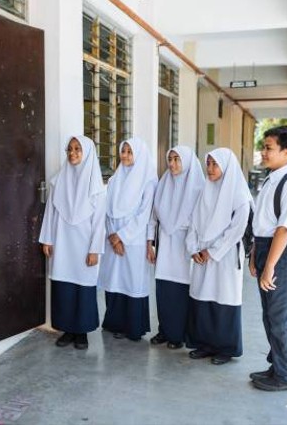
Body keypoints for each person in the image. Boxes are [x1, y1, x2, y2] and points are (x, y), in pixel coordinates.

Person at [249, 126, 287, 391]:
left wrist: (269, 266)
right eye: (264, 147)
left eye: (269, 147)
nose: (263, 152)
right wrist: (255, 257)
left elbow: (284, 228)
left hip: (283, 254)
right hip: (267, 248)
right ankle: (278, 367)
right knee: (270, 315)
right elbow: (262, 223)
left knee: (281, 317)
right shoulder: (272, 178)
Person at [185, 148, 253, 365]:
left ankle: (225, 348)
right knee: (202, 297)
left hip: (224, 255)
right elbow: (193, 222)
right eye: (209, 164)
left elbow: (237, 230)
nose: (210, 169)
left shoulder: (239, 195)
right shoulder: (206, 190)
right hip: (202, 255)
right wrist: (193, 248)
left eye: (215, 165)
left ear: (226, 167)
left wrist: (211, 252)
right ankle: (204, 343)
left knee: (223, 299)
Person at [39, 135, 106, 350]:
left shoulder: (97, 188)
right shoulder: (58, 182)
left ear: (87, 153)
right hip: (63, 242)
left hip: (85, 244)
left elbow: (99, 223)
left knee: (83, 286)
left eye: (78, 149)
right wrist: (47, 239)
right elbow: (50, 212)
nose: (73, 153)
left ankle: (82, 332)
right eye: (69, 149)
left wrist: (95, 249)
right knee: (64, 285)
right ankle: (67, 329)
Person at [99, 137, 157, 341]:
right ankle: (114, 322)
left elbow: (144, 215)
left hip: (133, 240)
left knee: (131, 282)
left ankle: (133, 327)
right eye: (123, 151)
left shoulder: (148, 181)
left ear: (138, 154)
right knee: (114, 280)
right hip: (113, 237)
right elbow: (106, 210)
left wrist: (121, 237)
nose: (124, 156)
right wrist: (112, 237)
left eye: (129, 152)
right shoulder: (115, 179)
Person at [147, 146, 205, 349]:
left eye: (177, 159)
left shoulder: (198, 187)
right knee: (164, 289)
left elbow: (199, 222)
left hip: (185, 246)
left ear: (187, 161)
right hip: (165, 243)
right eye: (170, 159)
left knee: (181, 291)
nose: (172, 164)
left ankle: (178, 335)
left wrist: (194, 246)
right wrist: (149, 243)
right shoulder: (164, 183)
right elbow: (153, 217)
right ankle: (164, 330)